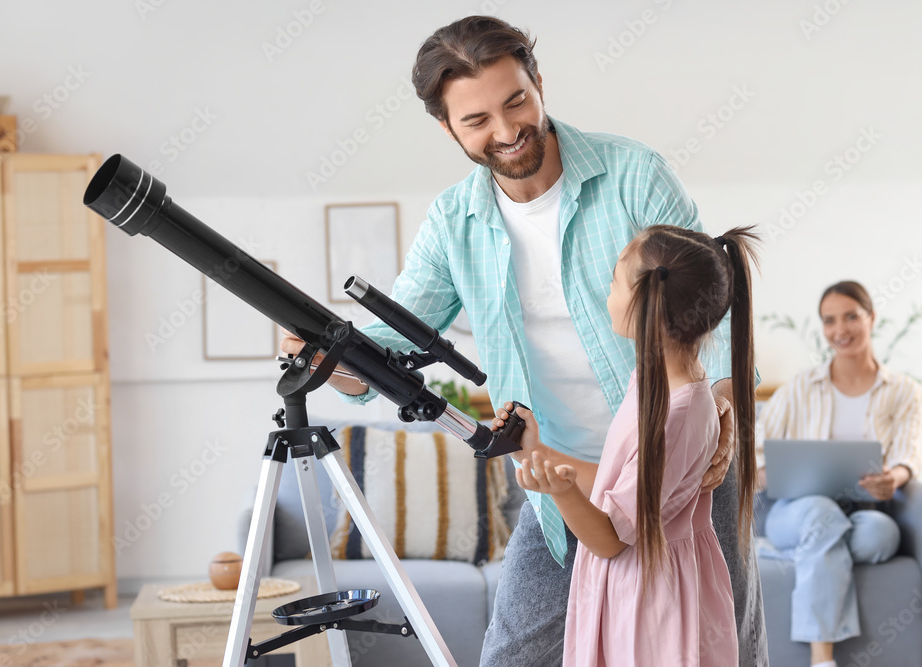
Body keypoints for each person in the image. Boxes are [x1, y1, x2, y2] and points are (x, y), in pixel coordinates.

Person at [282, 15, 768, 666]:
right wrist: (323, 357)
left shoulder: (632, 173)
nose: (508, 131)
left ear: (539, 81)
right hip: (557, 473)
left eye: (517, 101)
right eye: (477, 119)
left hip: (678, 467)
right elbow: (384, 344)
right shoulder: (454, 222)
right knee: (513, 655)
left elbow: (717, 300)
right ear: (447, 127)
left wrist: (729, 408)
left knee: (719, 642)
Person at [494, 224, 759, 665]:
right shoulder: (661, 387)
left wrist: (560, 493)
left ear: (648, 304)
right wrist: (536, 452)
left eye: (615, 281)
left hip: (647, 609)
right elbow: (618, 487)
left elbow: (610, 537)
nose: (607, 292)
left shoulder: (678, 415)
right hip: (637, 590)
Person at [756, 280, 922, 667]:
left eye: (851, 317)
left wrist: (892, 479)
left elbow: (908, 456)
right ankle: (822, 658)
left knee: (882, 534)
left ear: (871, 318)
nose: (840, 330)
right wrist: (772, 472)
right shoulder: (800, 388)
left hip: (864, 513)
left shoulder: (903, 391)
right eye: (829, 321)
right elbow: (757, 455)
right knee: (819, 513)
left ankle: (808, 551)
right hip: (796, 513)